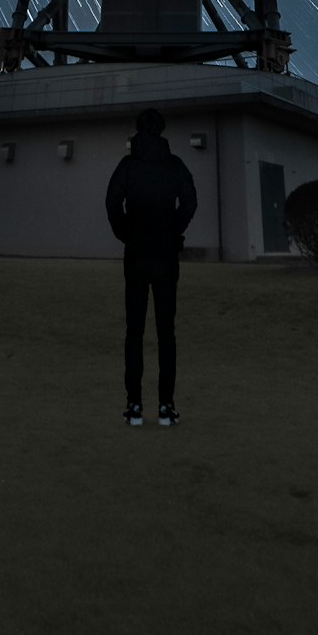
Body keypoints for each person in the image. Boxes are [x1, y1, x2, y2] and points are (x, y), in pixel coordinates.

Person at [104, 107, 197, 427]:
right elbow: (190, 201)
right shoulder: (175, 165)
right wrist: (174, 230)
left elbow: (113, 202)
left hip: (137, 257)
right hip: (166, 257)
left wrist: (126, 233)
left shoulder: (128, 165)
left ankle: (133, 405)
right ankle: (166, 406)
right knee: (166, 333)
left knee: (135, 331)